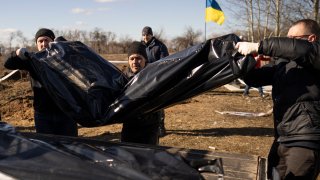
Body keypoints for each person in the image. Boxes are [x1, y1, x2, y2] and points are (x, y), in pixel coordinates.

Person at [236, 19, 320, 179]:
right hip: (282, 137)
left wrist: (259, 45)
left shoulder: (315, 54)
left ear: (311, 39)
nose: (288, 43)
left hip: (305, 139)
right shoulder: (284, 64)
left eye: (292, 39)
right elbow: (255, 78)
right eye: (286, 38)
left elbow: (300, 50)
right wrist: (241, 62)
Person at [4, 28, 78, 137]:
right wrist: (17, 53)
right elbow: (8, 64)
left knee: (72, 147)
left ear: (52, 42)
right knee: (47, 149)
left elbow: (79, 58)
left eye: (46, 40)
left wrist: (65, 46)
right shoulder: (32, 61)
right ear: (36, 44)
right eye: (40, 41)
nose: (43, 44)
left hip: (66, 113)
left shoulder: (63, 58)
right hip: (43, 115)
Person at [121, 41, 160, 145]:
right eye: (132, 58)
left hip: (149, 125)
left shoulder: (154, 76)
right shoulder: (122, 78)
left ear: (145, 60)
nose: (135, 61)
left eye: (139, 58)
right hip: (129, 126)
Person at [141, 26, 169, 137]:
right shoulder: (140, 46)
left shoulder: (160, 46)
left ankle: (160, 126)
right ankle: (147, 125)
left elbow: (165, 62)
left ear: (151, 35)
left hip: (156, 78)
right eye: (143, 35)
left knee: (158, 103)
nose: (145, 37)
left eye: (147, 35)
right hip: (143, 78)